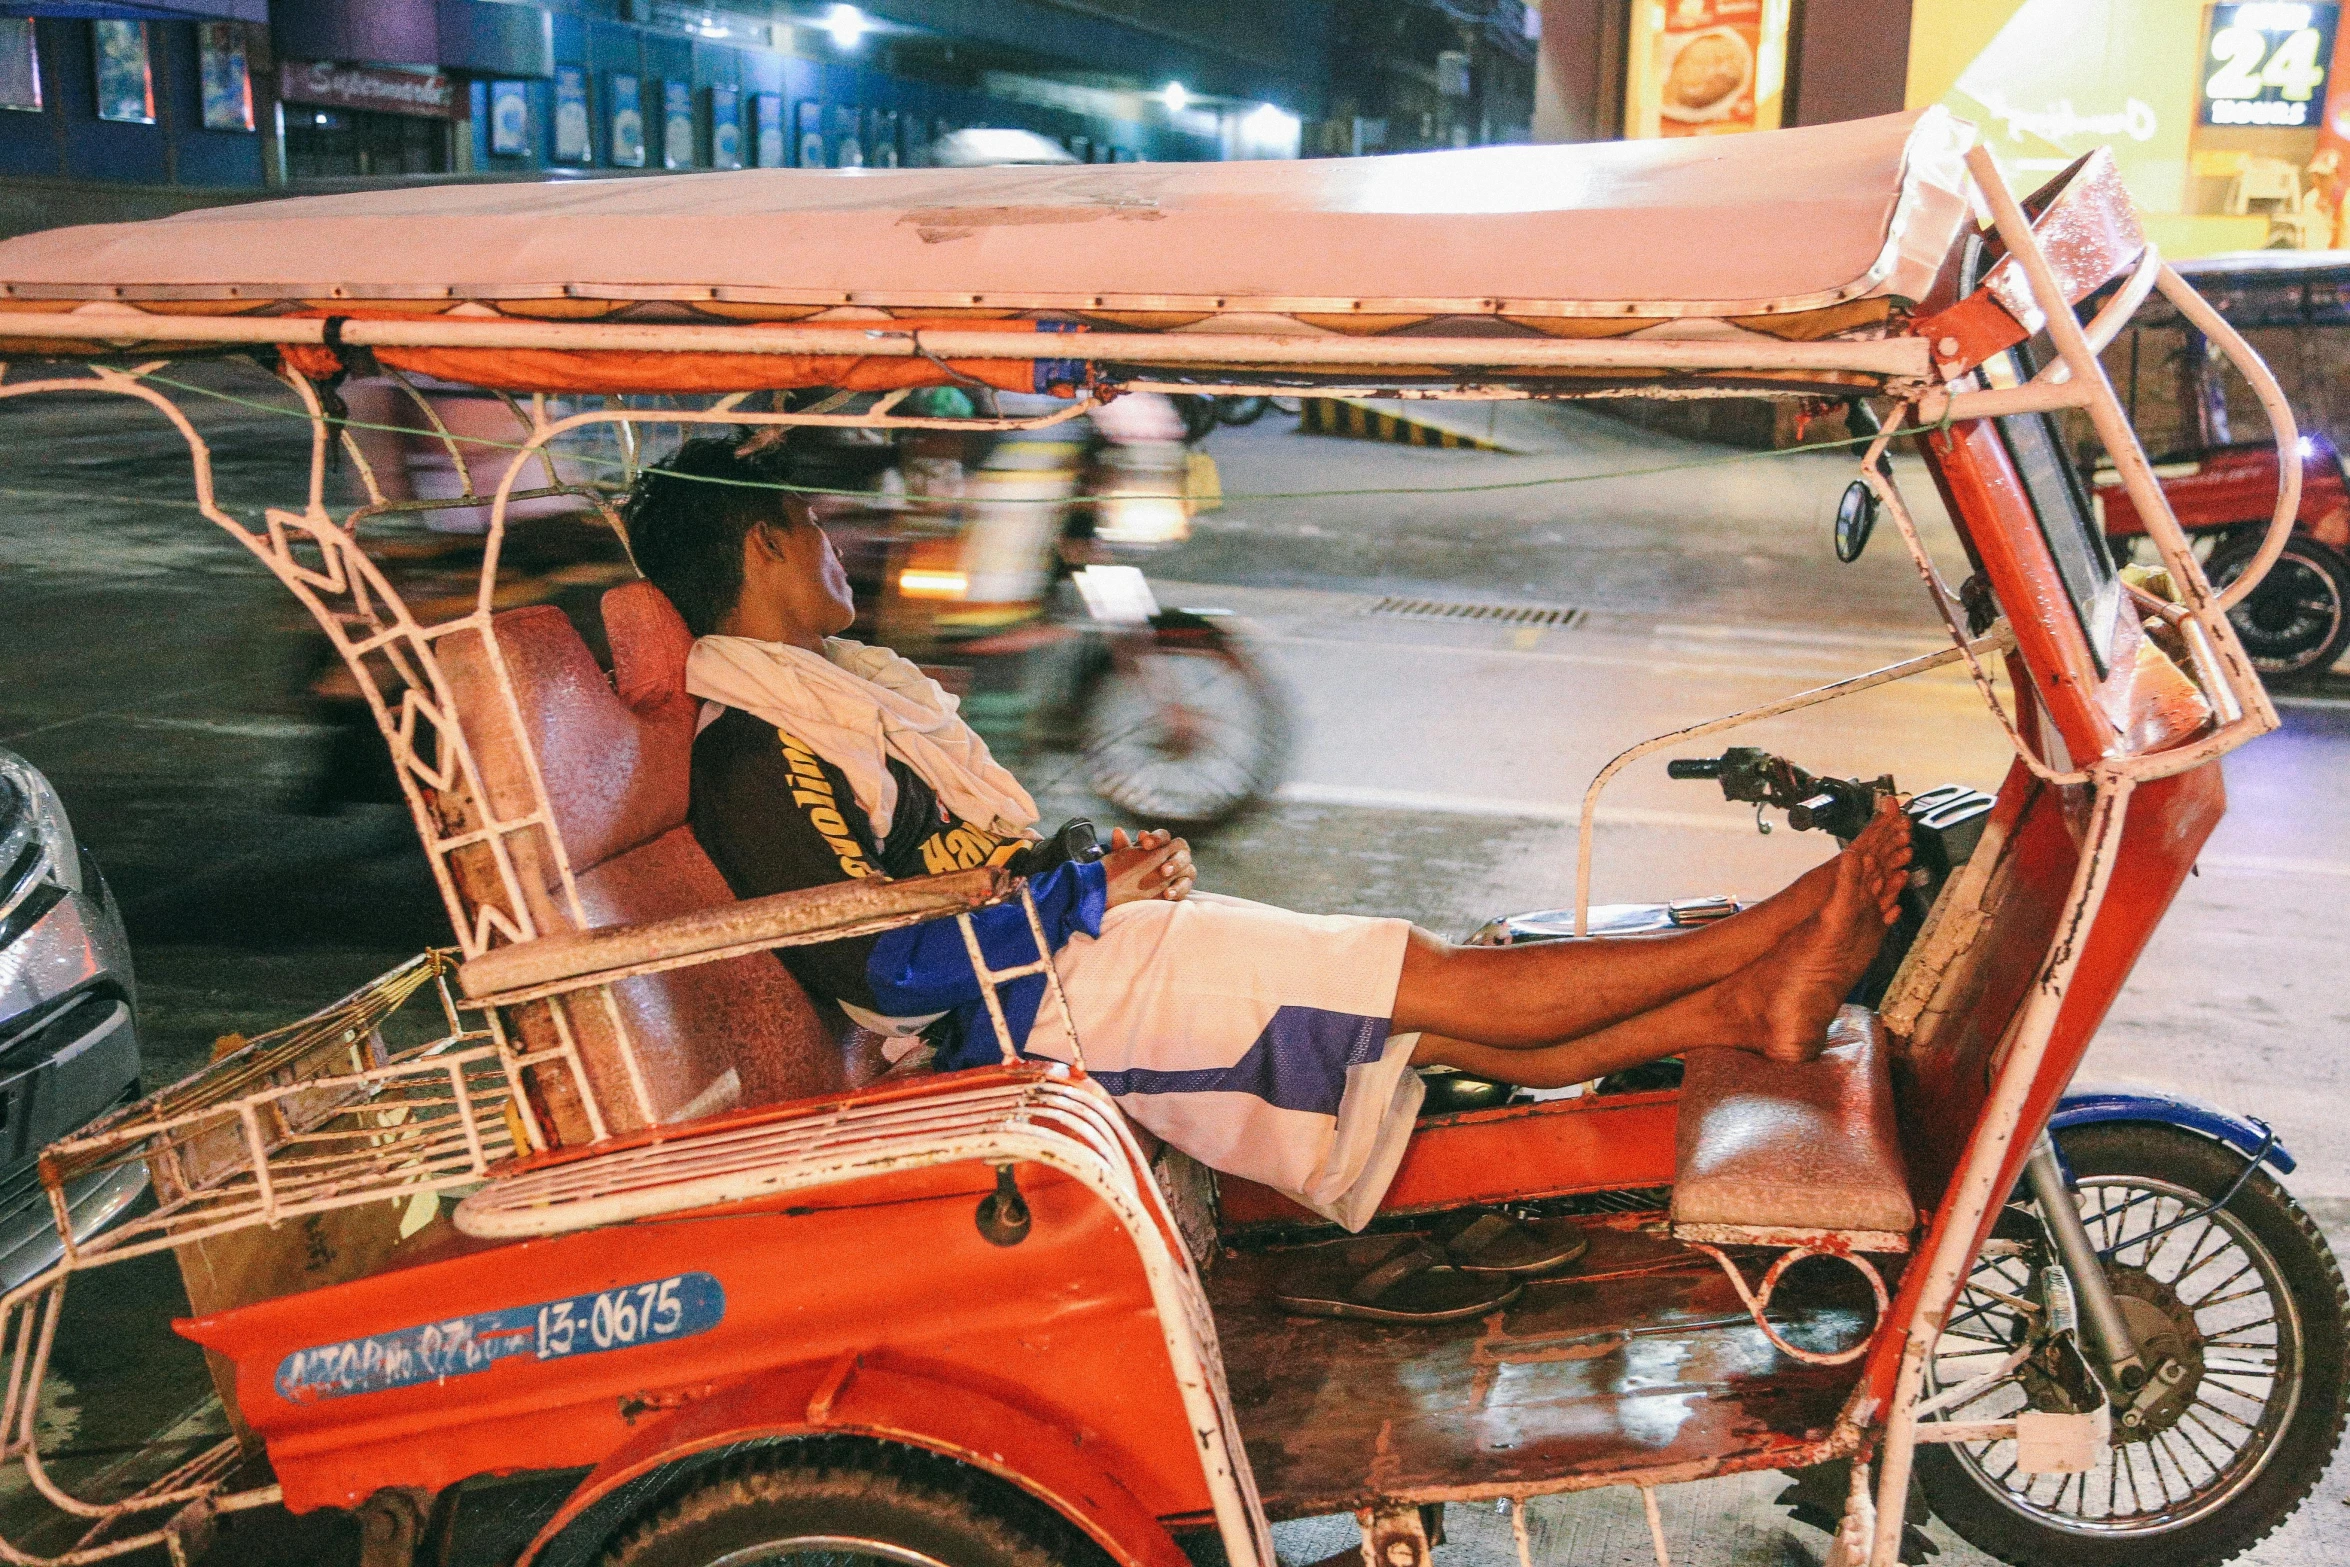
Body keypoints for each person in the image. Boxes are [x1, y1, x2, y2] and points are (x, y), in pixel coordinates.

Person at [628, 434, 1913, 1242]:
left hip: (1057, 969)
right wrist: (1081, 895)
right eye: (813, 527)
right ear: (762, 544)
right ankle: (1771, 930)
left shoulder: (846, 703)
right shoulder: (758, 749)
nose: (837, 546)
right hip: (1034, 1013)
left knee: (1436, 1020)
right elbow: (876, 967)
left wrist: (1093, 875)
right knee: (1431, 974)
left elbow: (956, 874)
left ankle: (1743, 1014)